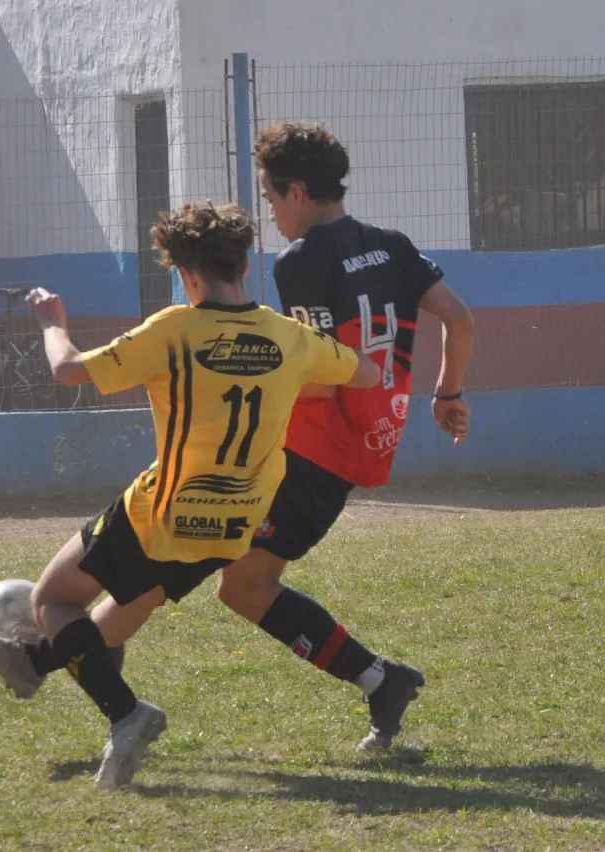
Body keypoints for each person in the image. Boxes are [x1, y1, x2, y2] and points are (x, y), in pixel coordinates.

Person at [0, 201, 381, 789]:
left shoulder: (172, 330)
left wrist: (52, 321)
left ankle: (126, 714)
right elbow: (365, 372)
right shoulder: (289, 338)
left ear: (186, 275)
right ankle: (31, 665)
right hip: (235, 524)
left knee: (53, 601)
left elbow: (70, 370)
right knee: (124, 605)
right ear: (244, 265)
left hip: (165, 513)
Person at [212, 121, 477, 752]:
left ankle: (70, 649)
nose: (271, 214)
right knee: (234, 572)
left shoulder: (302, 261)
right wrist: (448, 394)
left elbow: (324, 382)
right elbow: (460, 321)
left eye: (272, 199)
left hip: (311, 451)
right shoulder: (392, 245)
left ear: (297, 191)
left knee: (239, 583)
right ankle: (378, 680)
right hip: (363, 443)